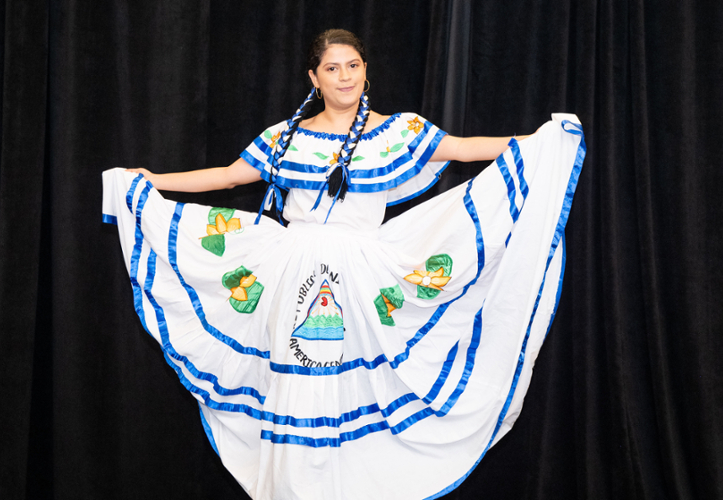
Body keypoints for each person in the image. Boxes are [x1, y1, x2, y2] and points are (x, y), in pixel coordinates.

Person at [103, 29, 585, 500]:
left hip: (361, 272)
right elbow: (230, 176)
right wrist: (155, 179)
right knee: (299, 384)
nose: (345, 77)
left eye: (353, 66)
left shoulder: (397, 132)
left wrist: (537, 141)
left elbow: (460, 148)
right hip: (292, 273)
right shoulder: (287, 138)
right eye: (333, 69)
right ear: (314, 78)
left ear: (366, 71)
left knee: (353, 386)